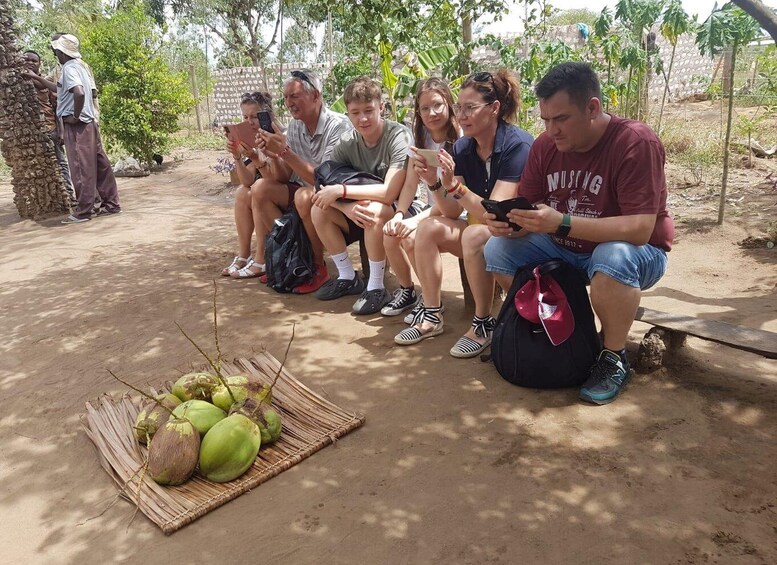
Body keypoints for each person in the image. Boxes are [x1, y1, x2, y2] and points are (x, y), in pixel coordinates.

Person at [482, 61, 673, 405]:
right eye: (545, 120)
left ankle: (613, 357)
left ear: (593, 108)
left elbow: (641, 229)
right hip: (564, 245)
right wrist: (510, 224)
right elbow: (535, 207)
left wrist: (563, 222)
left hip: (637, 254)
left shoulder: (635, 142)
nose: (551, 130)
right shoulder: (545, 146)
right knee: (497, 250)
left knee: (611, 255)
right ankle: (552, 331)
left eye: (561, 119)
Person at [395, 70, 533, 358]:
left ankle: (483, 323)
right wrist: (434, 181)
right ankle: (432, 315)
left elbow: (494, 215)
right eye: (460, 108)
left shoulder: (516, 145)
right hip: (482, 230)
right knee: (429, 227)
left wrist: (456, 187)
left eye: (470, 108)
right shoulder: (463, 147)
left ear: (494, 109)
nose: (462, 115)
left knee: (474, 234)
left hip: (517, 236)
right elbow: (451, 210)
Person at [311, 76, 411, 315]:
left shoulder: (399, 136)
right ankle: (347, 276)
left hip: (400, 211)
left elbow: (389, 193)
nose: (363, 118)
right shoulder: (347, 142)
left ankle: (376, 286)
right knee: (319, 208)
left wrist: (342, 191)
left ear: (381, 108)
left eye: (369, 110)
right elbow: (322, 183)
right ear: (347, 114)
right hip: (359, 211)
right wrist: (345, 207)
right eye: (355, 113)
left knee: (374, 210)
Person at [250, 69, 352, 291]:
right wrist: (273, 153)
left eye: (294, 96)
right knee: (260, 189)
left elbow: (324, 180)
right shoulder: (295, 126)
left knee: (305, 196)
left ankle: (316, 267)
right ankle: (292, 259)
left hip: (335, 196)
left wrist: (284, 151)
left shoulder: (339, 126)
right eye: (286, 97)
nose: (288, 102)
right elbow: (283, 177)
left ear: (315, 96)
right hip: (304, 195)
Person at [380, 77, 460, 318]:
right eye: (424, 108)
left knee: (411, 235)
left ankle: (430, 300)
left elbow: (454, 202)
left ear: (449, 104)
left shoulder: (461, 141)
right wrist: (399, 214)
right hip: (433, 209)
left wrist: (414, 221)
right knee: (391, 231)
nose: (431, 113)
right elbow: (409, 184)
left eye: (437, 105)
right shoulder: (420, 139)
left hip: (457, 211)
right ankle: (409, 291)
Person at [51, 34, 120, 224]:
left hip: (78, 125)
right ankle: (111, 204)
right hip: (90, 123)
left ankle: (84, 211)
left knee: (81, 167)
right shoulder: (82, 67)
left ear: (60, 51)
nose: (54, 53)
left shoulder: (69, 68)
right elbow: (72, 90)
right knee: (99, 164)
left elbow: (79, 92)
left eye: (55, 50)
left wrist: (75, 115)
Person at [220, 91, 284, 277]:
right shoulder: (254, 138)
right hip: (266, 192)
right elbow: (246, 180)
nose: (249, 122)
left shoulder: (280, 137)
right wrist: (238, 156)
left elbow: (275, 180)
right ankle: (244, 255)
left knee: (259, 189)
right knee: (243, 192)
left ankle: (261, 258)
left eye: (254, 117)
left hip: (285, 195)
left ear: (268, 116)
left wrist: (257, 158)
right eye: (245, 117)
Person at [21, 50, 75, 203]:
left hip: (49, 129)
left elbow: (57, 109)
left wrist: (61, 131)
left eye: (34, 61)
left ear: (39, 64)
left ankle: (69, 195)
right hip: (29, 134)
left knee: (60, 163)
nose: (30, 63)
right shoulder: (16, 83)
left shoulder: (45, 83)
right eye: (27, 60)